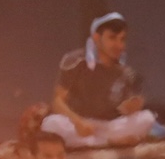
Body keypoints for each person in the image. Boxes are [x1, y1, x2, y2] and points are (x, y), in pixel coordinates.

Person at [42, 13, 157, 148]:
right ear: (97, 38)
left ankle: (100, 141)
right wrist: (78, 122)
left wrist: (133, 107)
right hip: (80, 124)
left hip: (109, 126)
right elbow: (57, 101)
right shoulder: (75, 61)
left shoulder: (125, 71)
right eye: (112, 38)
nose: (119, 45)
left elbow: (129, 105)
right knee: (51, 124)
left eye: (122, 39)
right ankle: (108, 142)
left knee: (147, 118)